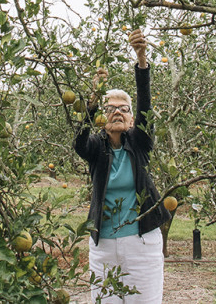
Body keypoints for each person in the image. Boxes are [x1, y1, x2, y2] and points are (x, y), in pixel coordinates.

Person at [74, 28, 170, 304]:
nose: (117, 111)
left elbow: (145, 106)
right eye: (110, 107)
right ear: (102, 117)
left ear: (130, 120)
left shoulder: (139, 143)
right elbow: (79, 140)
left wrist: (141, 60)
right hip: (103, 246)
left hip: (142, 243)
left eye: (123, 109)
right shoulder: (95, 147)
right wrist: (93, 96)